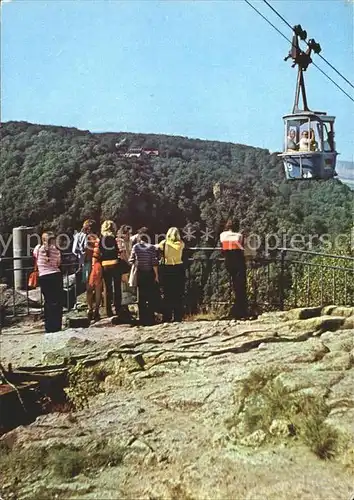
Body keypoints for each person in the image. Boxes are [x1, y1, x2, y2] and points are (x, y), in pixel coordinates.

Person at [33, 232, 63, 333]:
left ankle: (49, 326)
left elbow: (35, 256)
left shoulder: (38, 249)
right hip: (56, 275)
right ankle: (57, 325)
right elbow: (58, 263)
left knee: (48, 301)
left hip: (44, 276)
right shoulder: (57, 251)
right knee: (57, 301)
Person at [219, 220, 248, 320]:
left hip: (228, 262)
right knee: (240, 287)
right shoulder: (239, 236)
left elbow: (222, 248)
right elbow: (242, 248)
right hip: (238, 262)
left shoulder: (222, 235)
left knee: (235, 286)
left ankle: (236, 310)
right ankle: (241, 311)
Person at [129, 229, 159, 326]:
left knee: (141, 296)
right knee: (150, 296)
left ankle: (142, 318)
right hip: (149, 273)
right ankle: (150, 318)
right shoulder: (151, 248)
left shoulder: (135, 247)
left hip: (139, 273)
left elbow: (131, 259)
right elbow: (154, 262)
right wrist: (156, 275)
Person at [93, 220, 121, 318]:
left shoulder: (100, 239)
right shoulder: (115, 238)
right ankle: (118, 308)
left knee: (107, 288)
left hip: (105, 265)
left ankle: (108, 310)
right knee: (117, 287)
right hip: (115, 264)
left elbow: (96, 253)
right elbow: (119, 251)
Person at [157, 227, 185, 322]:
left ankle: (167, 316)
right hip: (178, 268)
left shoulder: (164, 243)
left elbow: (157, 248)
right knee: (178, 293)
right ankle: (178, 316)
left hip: (167, 268)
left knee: (167, 293)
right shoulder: (181, 244)